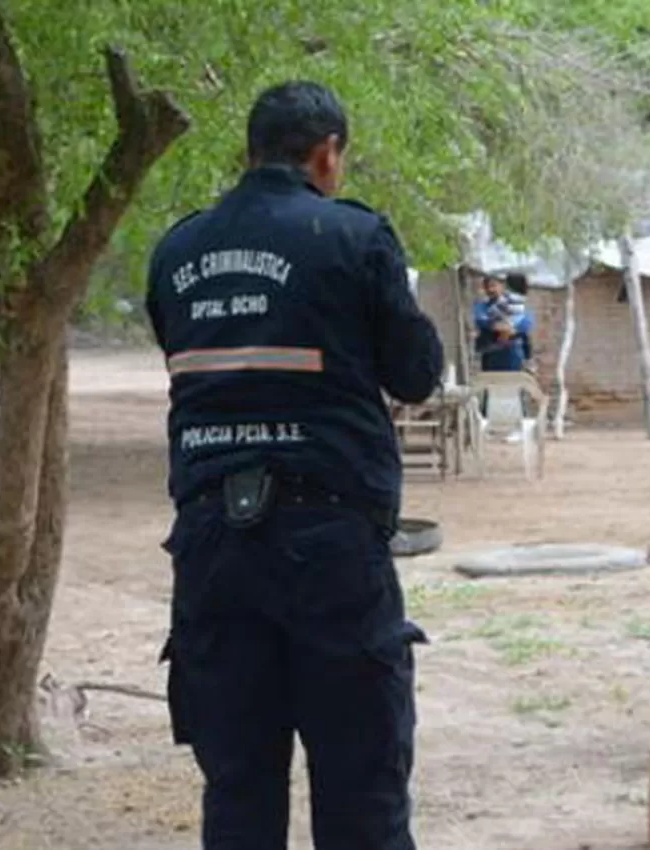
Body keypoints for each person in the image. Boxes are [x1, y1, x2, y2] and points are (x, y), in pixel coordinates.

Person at [144, 81, 444, 850]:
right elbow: (416, 374)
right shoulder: (354, 236)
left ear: (248, 152)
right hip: (331, 548)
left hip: (212, 551)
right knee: (361, 796)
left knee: (239, 793)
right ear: (327, 153)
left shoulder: (176, 249)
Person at [473, 272, 535, 372]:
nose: (490, 290)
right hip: (490, 354)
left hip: (513, 355)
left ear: (502, 286)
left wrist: (510, 329)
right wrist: (498, 326)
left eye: (493, 286)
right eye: (487, 287)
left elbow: (525, 325)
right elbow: (482, 321)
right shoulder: (481, 307)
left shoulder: (519, 306)